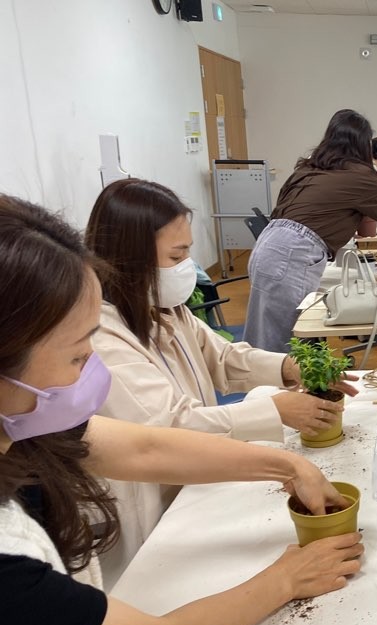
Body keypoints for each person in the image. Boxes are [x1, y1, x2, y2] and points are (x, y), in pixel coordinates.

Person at [0, 194, 364, 625]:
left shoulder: (33, 423)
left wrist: (290, 464)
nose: (91, 373)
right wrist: (286, 578)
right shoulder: (9, 566)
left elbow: (144, 446)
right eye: (80, 354)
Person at [84, 178, 358, 582]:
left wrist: (288, 368)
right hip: (153, 508)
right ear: (131, 257)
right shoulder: (104, 335)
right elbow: (172, 426)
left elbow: (224, 357)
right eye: (176, 256)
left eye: (188, 253)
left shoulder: (165, 308)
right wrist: (275, 411)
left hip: (194, 485)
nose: (187, 268)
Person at [245, 109, 377, 352]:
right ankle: (275, 390)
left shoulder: (308, 168)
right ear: (362, 144)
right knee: (283, 349)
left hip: (267, 246)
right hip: (292, 253)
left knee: (267, 339)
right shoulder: (360, 175)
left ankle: (277, 388)